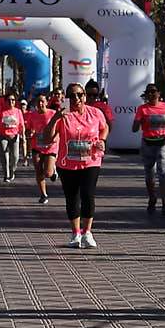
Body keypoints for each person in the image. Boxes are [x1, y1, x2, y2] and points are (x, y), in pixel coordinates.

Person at [54, 83, 109, 248]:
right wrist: (55, 119)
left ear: (84, 96)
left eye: (79, 94)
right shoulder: (63, 115)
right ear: (67, 98)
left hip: (91, 160)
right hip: (67, 163)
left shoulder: (95, 113)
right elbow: (49, 137)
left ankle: (87, 232)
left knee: (87, 194)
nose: (76, 98)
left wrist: (102, 140)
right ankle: (75, 234)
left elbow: (104, 128)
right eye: (72, 95)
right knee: (72, 198)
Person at [135, 82, 165, 218]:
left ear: (159, 94)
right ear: (146, 95)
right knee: (149, 175)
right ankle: (152, 197)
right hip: (148, 144)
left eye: (154, 91)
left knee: (163, 174)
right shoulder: (142, 109)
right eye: (149, 92)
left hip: (163, 144)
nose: (152, 94)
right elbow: (134, 128)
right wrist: (138, 122)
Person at [26, 91, 60, 206]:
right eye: (38, 101)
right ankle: (43, 194)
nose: (40, 104)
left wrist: (55, 137)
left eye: (42, 101)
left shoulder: (53, 113)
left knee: (48, 173)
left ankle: (53, 171)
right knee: (38, 171)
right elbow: (29, 129)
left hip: (50, 147)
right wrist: (30, 133)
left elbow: (60, 129)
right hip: (37, 146)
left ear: (46, 102)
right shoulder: (32, 115)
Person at [0, 93, 27, 183]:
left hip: (14, 136)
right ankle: (6, 174)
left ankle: (12, 171)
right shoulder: (1, 111)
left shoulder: (18, 111)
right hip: (3, 135)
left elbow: (21, 125)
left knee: (15, 157)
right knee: (4, 156)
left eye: (12, 100)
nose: (11, 102)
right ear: (5, 101)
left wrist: (23, 135)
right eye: (8, 100)